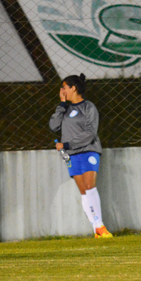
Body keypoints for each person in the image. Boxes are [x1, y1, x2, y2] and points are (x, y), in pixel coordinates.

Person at [49, 73, 113, 238]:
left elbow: (91, 133)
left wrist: (67, 144)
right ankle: (96, 230)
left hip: (89, 150)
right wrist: (61, 105)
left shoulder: (88, 107)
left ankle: (100, 226)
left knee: (90, 185)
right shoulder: (65, 109)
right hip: (71, 155)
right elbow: (53, 126)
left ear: (73, 88)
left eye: (64, 87)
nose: (61, 90)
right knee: (83, 190)